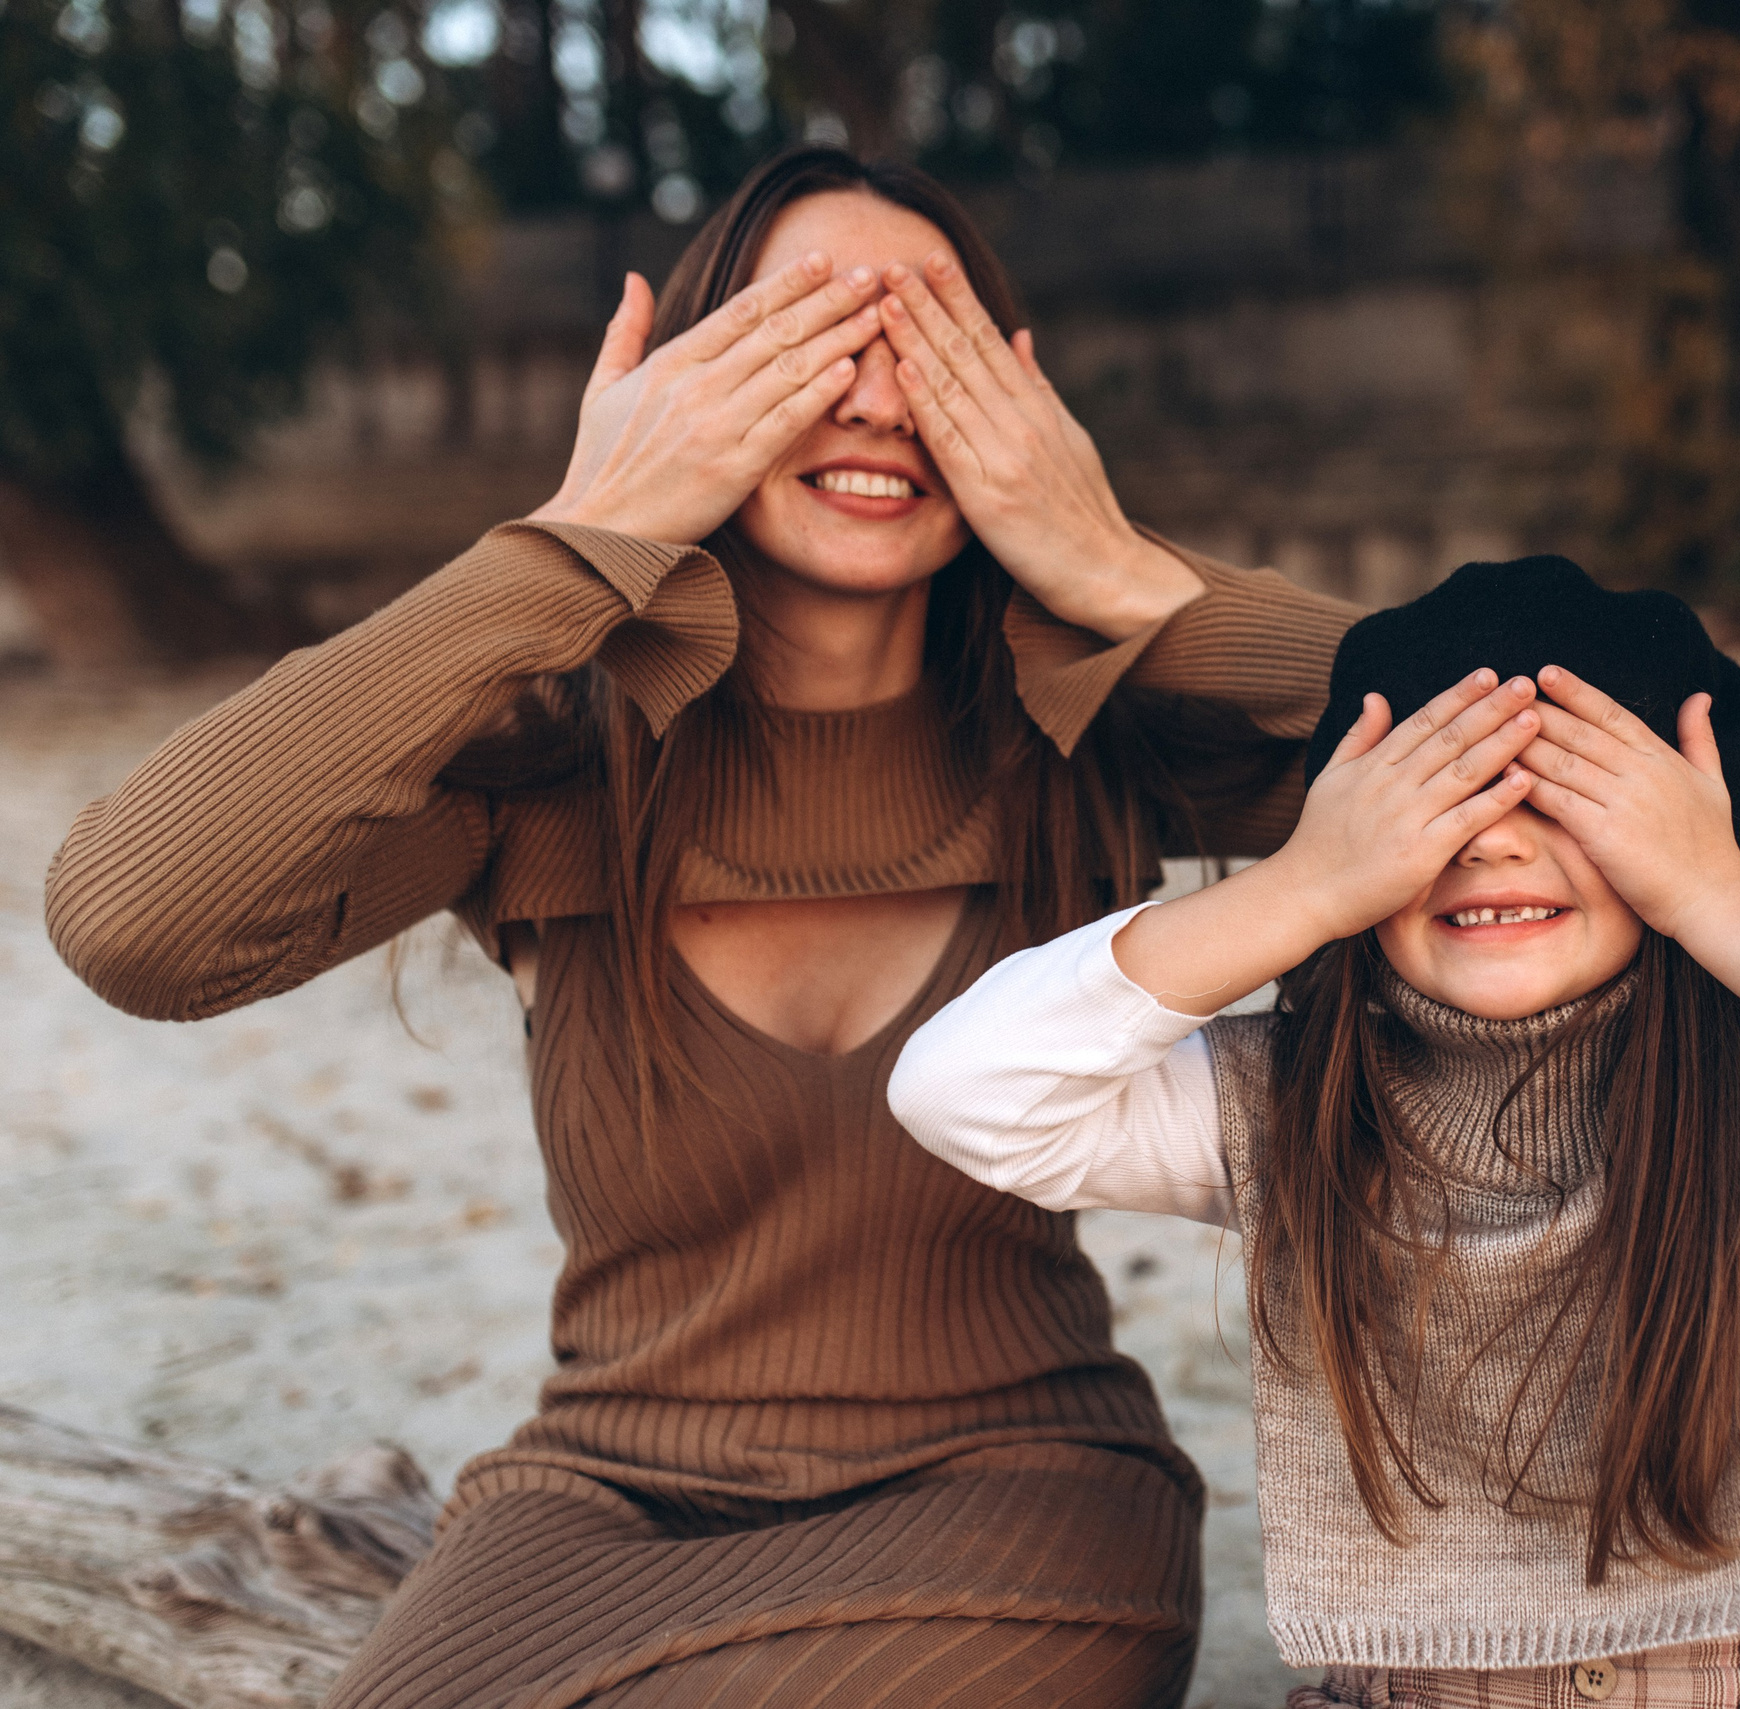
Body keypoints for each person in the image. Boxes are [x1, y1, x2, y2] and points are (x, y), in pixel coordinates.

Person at [44, 146, 1358, 1709]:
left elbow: (1578, 751)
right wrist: (576, 537)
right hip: (597, 1503)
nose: (875, 403)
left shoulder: (1091, 729)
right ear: (681, 385)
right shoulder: (545, 761)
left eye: (922, 346)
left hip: (1021, 1502)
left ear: (1014, 405)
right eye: (810, 339)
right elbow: (134, 925)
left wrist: (1119, 571)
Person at [891, 556, 1740, 1706]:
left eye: (1569, 799)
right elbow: (962, 1089)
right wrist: (1305, 884)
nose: (1489, 837)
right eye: (1436, 803)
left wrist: (1716, 895)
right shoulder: (1286, 1108)